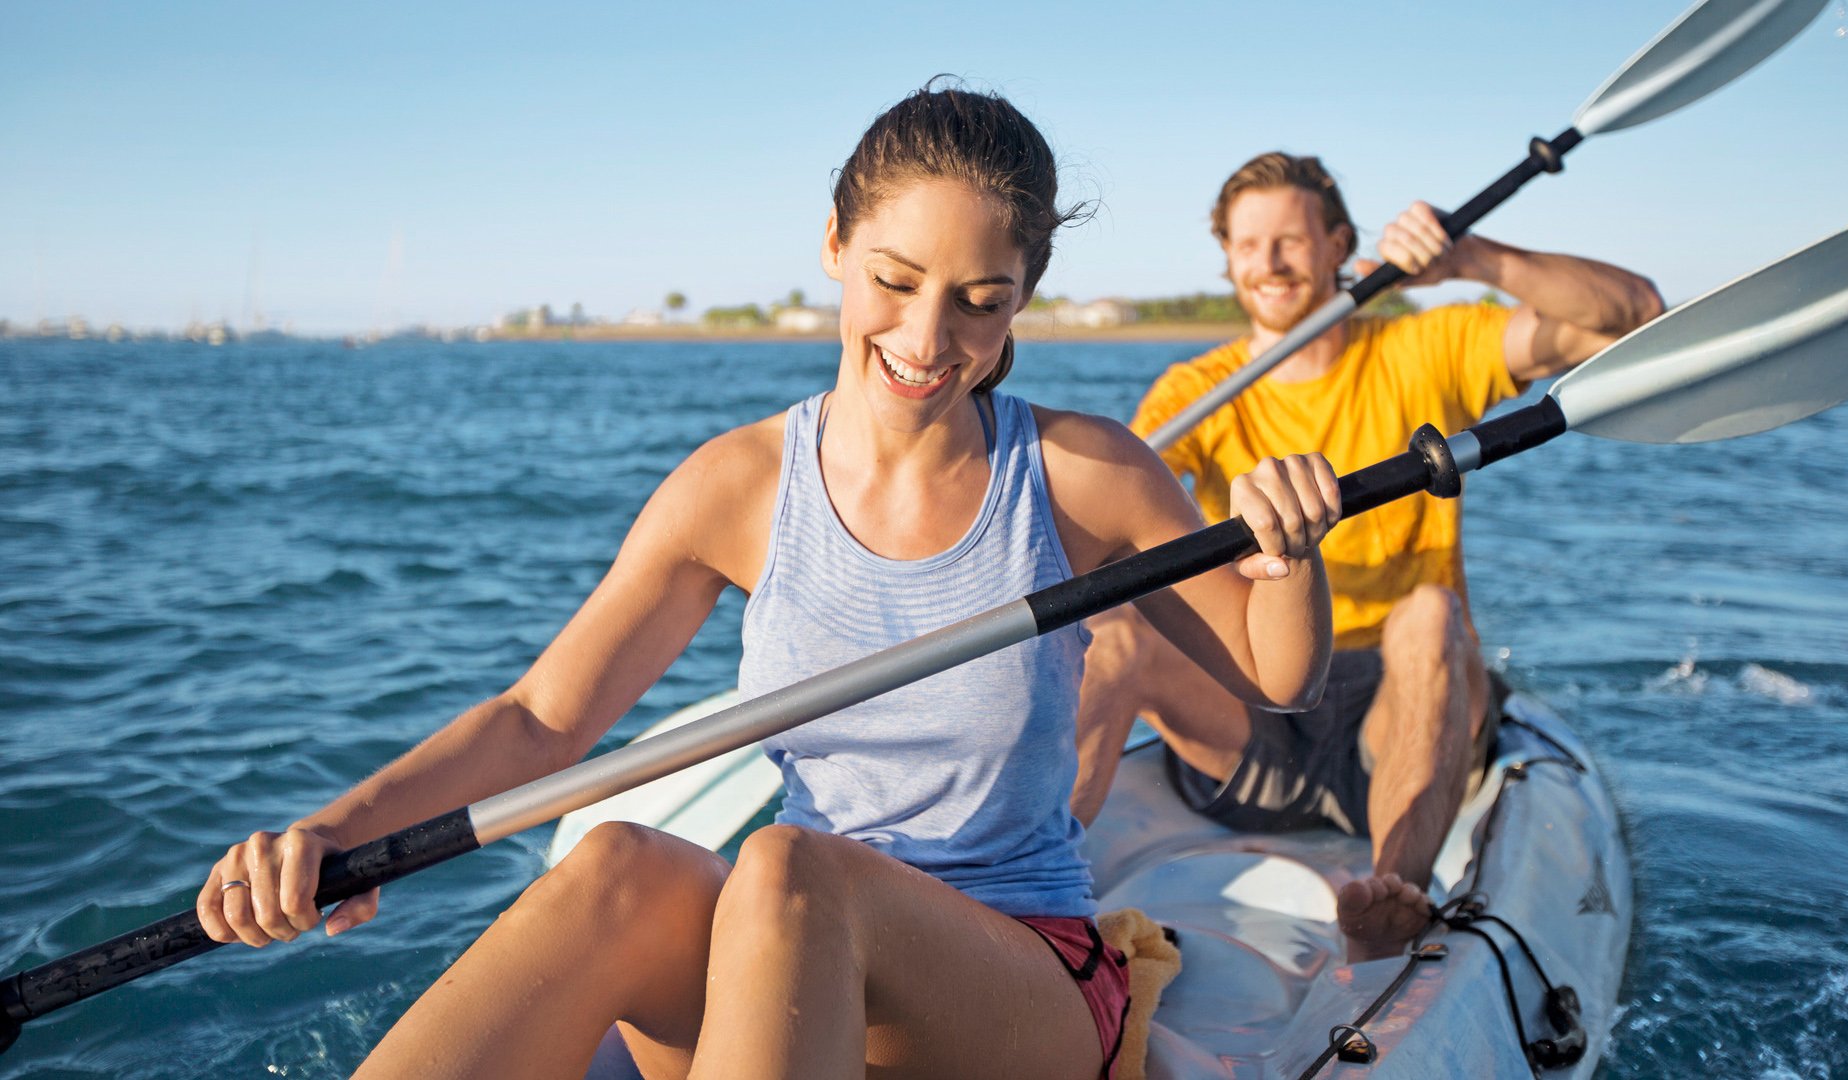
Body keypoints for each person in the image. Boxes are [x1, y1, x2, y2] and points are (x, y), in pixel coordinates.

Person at [194, 88, 1342, 1080]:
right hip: (789, 959)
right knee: (618, 865)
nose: (928, 338)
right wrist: (333, 836)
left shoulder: (1079, 475)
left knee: (790, 867)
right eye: (895, 279)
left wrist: (1285, 549)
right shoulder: (737, 485)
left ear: (1020, 299)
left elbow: (1277, 675)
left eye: (980, 301)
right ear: (836, 244)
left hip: (1018, 985)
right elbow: (542, 719)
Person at [1070, 151, 1663, 962]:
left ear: (1339, 244)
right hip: (1257, 717)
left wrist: (1473, 260)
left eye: (1290, 240)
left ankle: (1391, 895)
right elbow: (1126, 531)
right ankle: (1031, 899)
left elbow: (1632, 313)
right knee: (1118, 638)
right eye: (1247, 246)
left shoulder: (1427, 349)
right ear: (1227, 259)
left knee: (1427, 613)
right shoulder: (1193, 392)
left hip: (1395, 712)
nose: (1269, 264)